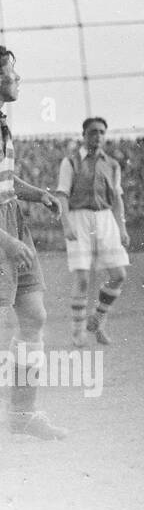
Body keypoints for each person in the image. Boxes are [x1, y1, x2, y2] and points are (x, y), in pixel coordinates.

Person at [0, 46, 67, 439]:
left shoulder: (3, 122)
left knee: (34, 316)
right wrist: (6, 242)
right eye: (11, 72)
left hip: (13, 222)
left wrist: (37, 193)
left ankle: (23, 415)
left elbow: (6, 181)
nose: (18, 79)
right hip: (3, 234)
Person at [54, 117, 130, 346]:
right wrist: (66, 224)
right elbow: (62, 195)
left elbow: (117, 199)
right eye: (93, 132)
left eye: (101, 132)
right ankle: (78, 331)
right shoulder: (71, 162)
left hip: (105, 219)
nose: (97, 136)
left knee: (118, 275)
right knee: (83, 278)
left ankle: (98, 319)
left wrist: (122, 228)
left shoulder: (113, 164)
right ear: (84, 135)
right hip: (79, 219)